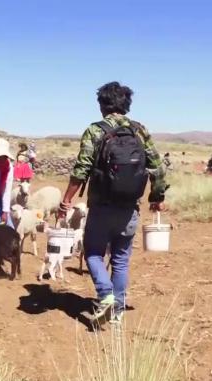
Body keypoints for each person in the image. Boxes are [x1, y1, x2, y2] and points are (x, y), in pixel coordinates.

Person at [57, 82, 169, 326]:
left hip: (101, 206)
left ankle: (105, 294)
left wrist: (67, 199)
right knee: (120, 258)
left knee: (94, 253)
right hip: (129, 207)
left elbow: (82, 169)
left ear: (102, 105)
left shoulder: (95, 131)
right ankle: (117, 310)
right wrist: (157, 198)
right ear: (126, 104)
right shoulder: (140, 131)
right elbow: (158, 168)